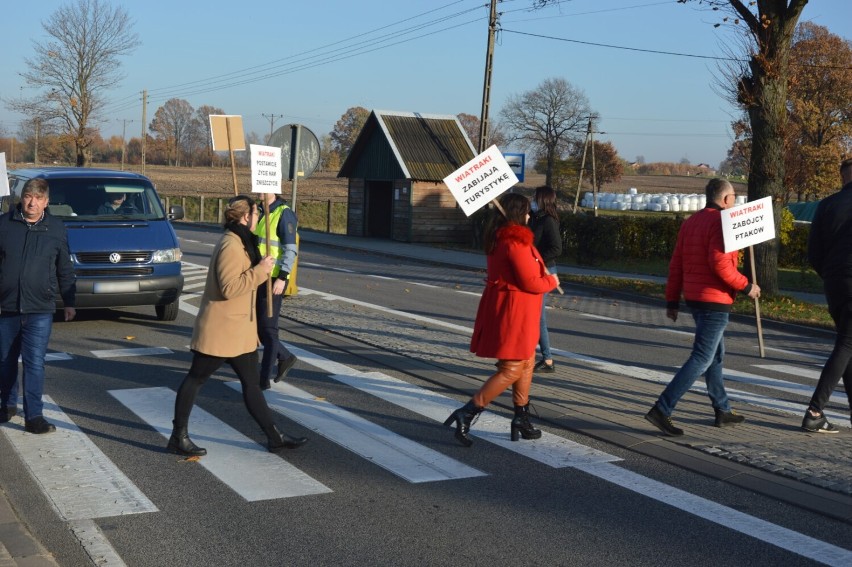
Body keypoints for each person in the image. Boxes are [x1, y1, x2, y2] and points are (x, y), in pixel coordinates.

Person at [167, 195, 307, 456]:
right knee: (196, 379)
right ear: (246, 217)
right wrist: (261, 270)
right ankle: (178, 436)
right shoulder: (231, 244)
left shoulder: (243, 241)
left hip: (239, 331)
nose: (259, 218)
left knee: (252, 385)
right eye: (256, 214)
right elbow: (230, 288)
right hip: (221, 330)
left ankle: (274, 437)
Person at [645, 178, 760, 436]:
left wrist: (672, 299)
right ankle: (662, 409)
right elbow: (721, 264)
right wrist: (746, 286)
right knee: (703, 357)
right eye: (734, 197)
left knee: (716, 355)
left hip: (695, 298)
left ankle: (722, 410)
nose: (735, 201)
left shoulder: (691, 222)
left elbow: (676, 264)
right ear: (726, 199)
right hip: (715, 300)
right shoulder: (722, 224)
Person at [444, 193, 560, 446]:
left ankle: (521, 416)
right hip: (514, 312)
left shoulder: (506, 238)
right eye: (527, 211)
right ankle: (468, 411)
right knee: (511, 368)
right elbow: (530, 281)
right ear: (518, 213)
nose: (530, 215)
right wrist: (552, 281)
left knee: (527, 362)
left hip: (519, 310)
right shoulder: (514, 242)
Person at [0, 178, 76, 434]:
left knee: (34, 363)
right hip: (6, 307)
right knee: (5, 361)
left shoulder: (55, 228)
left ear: (46, 201)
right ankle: (6, 405)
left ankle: (34, 416)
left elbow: (64, 267)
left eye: (38, 198)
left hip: (39, 308)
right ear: (21, 198)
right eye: (28, 196)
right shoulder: (4, 224)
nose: (32, 202)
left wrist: (70, 301)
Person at [801, 158, 852, 433]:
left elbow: (814, 252)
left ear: (843, 177)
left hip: (834, 283)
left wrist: (830, 275)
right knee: (846, 345)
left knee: (848, 346)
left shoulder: (827, 205)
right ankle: (814, 410)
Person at [254, 192, 299, 390]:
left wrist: (282, 277)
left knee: (268, 329)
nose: (259, 192)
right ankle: (285, 357)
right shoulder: (259, 211)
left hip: (273, 278)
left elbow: (290, 249)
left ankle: (263, 378)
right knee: (258, 328)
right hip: (257, 275)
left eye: (262, 188)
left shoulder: (283, 213)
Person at [529, 186, 562, 373]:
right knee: (534, 315)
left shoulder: (548, 220)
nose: (532, 199)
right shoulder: (535, 217)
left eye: (535, 197)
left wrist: (536, 256)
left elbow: (557, 248)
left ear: (543, 199)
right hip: (535, 268)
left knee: (539, 318)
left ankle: (548, 360)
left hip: (545, 270)